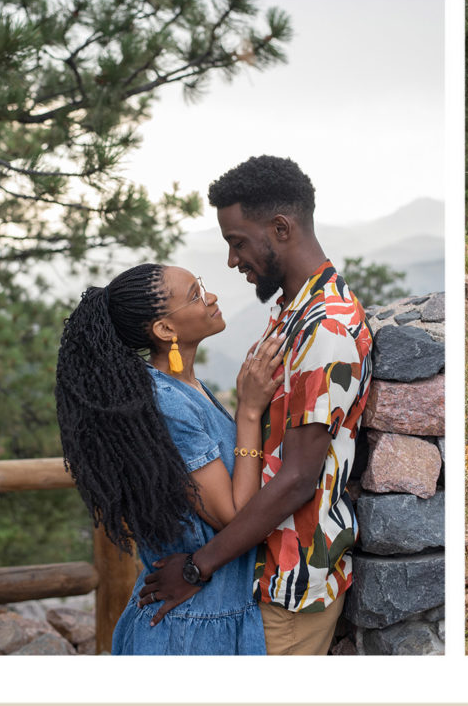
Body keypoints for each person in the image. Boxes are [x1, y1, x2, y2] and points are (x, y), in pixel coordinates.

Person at [139, 156, 374, 655]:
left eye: (237, 242)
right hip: (265, 577)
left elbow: (296, 479)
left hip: (289, 588)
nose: (231, 261)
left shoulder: (325, 328)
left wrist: (197, 567)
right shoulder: (295, 314)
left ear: (281, 228)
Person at [55, 263, 287, 654]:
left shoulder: (186, 387)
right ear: (165, 330)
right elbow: (233, 515)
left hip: (206, 616)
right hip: (189, 632)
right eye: (195, 295)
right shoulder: (168, 404)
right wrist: (248, 411)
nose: (211, 297)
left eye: (203, 287)